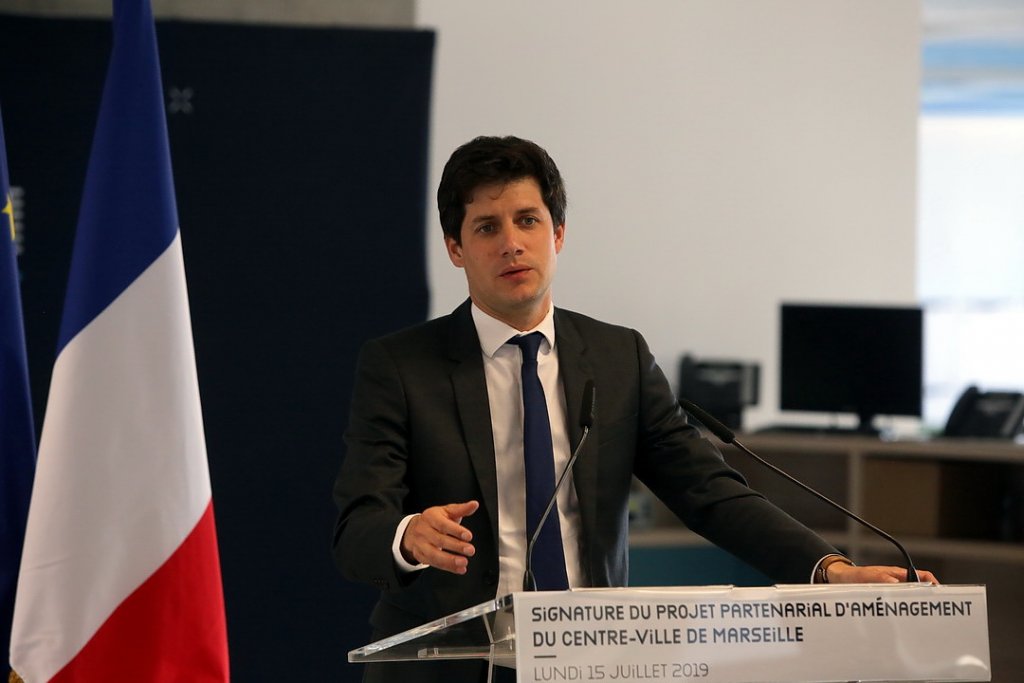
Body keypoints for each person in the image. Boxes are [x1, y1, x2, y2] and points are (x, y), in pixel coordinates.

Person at [332, 136, 936, 682]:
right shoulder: (400, 367)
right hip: (451, 667)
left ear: (558, 233)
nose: (512, 242)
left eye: (528, 220)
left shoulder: (618, 357)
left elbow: (710, 493)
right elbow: (357, 527)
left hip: (588, 663)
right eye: (487, 227)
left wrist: (827, 570)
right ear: (456, 248)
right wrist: (407, 535)